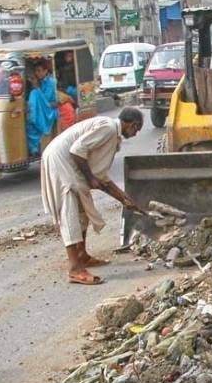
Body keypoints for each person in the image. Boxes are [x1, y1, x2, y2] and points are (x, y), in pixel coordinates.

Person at [40, 108, 146, 285]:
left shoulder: (112, 135)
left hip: (68, 163)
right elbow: (76, 150)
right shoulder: (109, 128)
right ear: (132, 124)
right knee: (70, 213)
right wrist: (89, 177)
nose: (136, 133)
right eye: (137, 129)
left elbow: (102, 178)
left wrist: (125, 200)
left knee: (83, 210)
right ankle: (75, 269)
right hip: (60, 162)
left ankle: (82, 255)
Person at [27, 59, 59, 156]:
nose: (37, 73)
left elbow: (47, 100)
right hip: (40, 109)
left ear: (45, 71)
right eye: (36, 71)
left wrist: (36, 88)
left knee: (34, 93)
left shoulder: (51, 82)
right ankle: (34, 148)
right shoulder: (37, 82)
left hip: (49, 110)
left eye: (39, 70)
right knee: (29, 123)